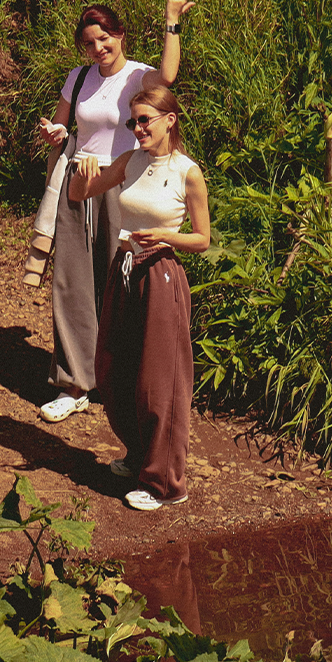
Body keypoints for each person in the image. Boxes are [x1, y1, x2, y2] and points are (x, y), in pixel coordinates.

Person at [33, 0, 194, 422]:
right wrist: (55, 134)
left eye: (105, 38)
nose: (98, 48)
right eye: (89, 42)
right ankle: (73, 381)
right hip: (79, 182)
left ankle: (116, 377)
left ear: (121, 35)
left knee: (117, 283)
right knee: (71, 282)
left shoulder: (138, 76)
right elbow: (61, 125)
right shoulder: (79, 78)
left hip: (122, 180)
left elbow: (169, 77)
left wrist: (172, 20)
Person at [67, 81, 210, 511]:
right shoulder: (130, 161)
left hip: (161, 275)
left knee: (159, 380)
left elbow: (203, 239)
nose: (137, 128)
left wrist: (167, 236)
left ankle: (167, 484)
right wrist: (82, 173)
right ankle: (139, 455)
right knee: (115, 367)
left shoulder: (188, 172)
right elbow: (80, 195)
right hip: (124, 269)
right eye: (132, 121)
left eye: (144, 120)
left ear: (170, 120)